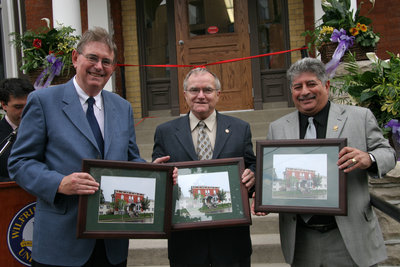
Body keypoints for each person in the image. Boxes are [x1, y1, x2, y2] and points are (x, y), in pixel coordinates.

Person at [8, 27, 173, 267]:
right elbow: (20, 163)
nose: (99, 66)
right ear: (76, 58)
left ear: (113, 69)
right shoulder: (44, 101)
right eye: (92, 58)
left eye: (106, 61)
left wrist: (150, 172)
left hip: (111, 243)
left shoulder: (122, 107)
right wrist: (58, 183)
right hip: (62, 243)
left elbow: (129, 159)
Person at [261, 57, 396, 266]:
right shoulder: (277, 128)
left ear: (326, 85)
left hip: (349, 236)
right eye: (297, 86)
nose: (304, 91)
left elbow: (388, 153)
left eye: (311, 84)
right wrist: (264, 193)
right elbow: (270, 174)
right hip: (302, 239)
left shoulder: (359, 118)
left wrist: (369, 158)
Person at [152, 67, 256, 267]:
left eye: (207, 90)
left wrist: (253, 176)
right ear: (185, 95)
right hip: (186, 243)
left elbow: (251, 164)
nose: (201, 96)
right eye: (194, 90)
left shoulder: (240, 129)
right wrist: (156, 174)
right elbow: (159, 173)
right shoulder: (164, 132)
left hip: (231, 242)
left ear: (218, 94)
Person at [0, 78, 34, 181]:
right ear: (4, 105)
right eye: (18, 107)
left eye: (28, 105)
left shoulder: (45, 130)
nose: (25, 112)